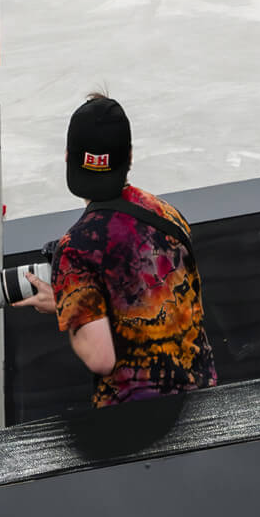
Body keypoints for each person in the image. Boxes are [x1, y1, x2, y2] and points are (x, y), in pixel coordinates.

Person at [17, 95, 218, 409]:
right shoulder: (167, 214)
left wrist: (65, 306)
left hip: (136, 415)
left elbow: (101, 359)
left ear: (69, 157)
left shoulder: (78, 246)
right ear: (131, 157)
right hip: (201, 396)